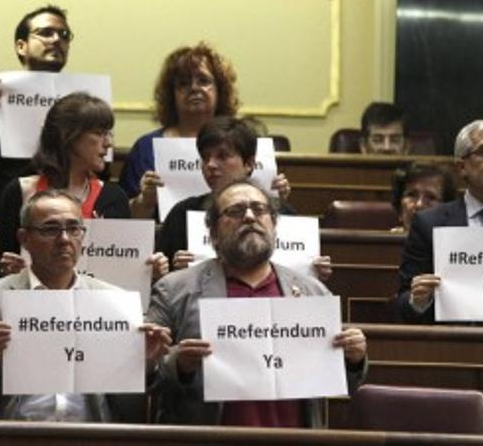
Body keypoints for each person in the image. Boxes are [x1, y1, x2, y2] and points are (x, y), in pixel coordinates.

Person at [146, 181, 367, 427]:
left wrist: (353, 359)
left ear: (274, 227)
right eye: (236, 211)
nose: (250, 217)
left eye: (259, 210)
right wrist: (179, 364)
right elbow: (144, 374)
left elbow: (343, 383)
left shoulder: (313, 292)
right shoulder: (174, 290)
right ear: (213, 234)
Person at [0, 190, 171, 421]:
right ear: (24, 238)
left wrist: (147, 362)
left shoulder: (113, 301)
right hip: (18, 433)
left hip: (92, 434)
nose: (64, 239)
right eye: (50, 229)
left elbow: (129, 402)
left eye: (74, 229)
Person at [0, 92, 167, 278]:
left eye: (109, 134)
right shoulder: (19, 192)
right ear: (68, 135)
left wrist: (149, 270)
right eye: (99, 133)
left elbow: (121, 273)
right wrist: (7, 269)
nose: (109, 143)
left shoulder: (113, 196)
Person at [119, 42, 289, 219]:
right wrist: (145, 200)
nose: (194, 88)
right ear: (171, 94)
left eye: (204, 81)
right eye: (183, 83)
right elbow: (125, 222)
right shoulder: (146, 148)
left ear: (220, 90)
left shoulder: (246, 141)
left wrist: (276, 198)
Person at [158, 118, 330, 278]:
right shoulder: (181, 214)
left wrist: (314, 273)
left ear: (249, 164)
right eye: (205, 158)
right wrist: (175, 272)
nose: (210, 165)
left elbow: (296, 279)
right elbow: (160, 278)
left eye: (222, 156)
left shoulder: (283, 213)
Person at [396, 120, 483, 323]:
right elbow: (404, 302)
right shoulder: (429, 224)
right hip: (453, 347)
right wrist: (418, 300)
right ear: (462, 167)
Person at [0, 5, 73, 217]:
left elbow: (99, 173)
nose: (57, 39)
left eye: (64, 35)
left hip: (70, 210)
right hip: (7, 210)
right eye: (46, 33)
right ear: (21, 46)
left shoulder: (81, 104)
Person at [390, 162, 456, 232]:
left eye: (431, 197)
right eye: (412, 195)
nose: (419, 204)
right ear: (400, 209)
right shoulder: (386, 241)